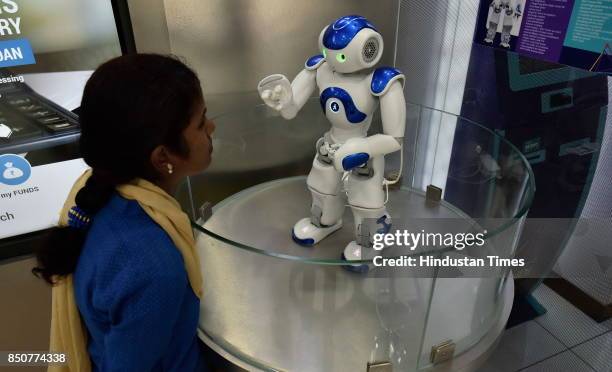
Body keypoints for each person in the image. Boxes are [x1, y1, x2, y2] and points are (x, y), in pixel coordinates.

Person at [33, 53, 215, 372]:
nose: (211, 127)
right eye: (201, 123)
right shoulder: (151, 265)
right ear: (162, 158)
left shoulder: (89, 190)